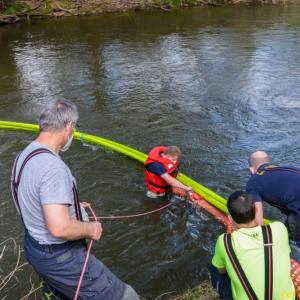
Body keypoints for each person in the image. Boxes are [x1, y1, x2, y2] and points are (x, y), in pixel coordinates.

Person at [11, 100, 139, 300]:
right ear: (69, 126)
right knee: (125, 296)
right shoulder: (53, 168)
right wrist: (92, 229)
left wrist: (73, 206)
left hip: (34, 249)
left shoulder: (24, 155)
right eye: (75, 127)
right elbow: (59, 228)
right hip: (60, 257)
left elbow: (31, 200)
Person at [211, 191, 295, 300]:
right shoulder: (279, 228)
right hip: (288, 298)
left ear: (230, 219)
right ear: (256, 211)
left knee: (214, 267)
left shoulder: (224, 242)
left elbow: (222, 271)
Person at [246, 151, 300, 246]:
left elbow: (258, 218)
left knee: (292, 242)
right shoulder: (288, 168)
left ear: (251, 169)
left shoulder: (253, 182)